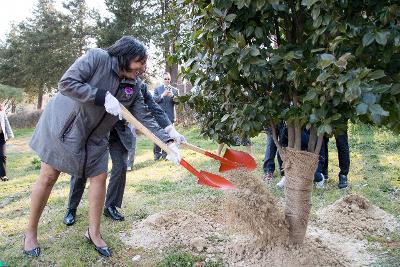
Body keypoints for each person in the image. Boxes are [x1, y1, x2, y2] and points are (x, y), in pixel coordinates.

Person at [23, 36, 181, 258]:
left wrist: (168, 141)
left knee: (99, 177)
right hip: (65, 127)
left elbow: (144, 117)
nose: (142, 68)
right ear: (125, 57)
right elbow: (66, 83)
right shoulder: (98, 58)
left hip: (97, 137)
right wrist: (99, 96)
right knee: (49, 176)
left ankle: (94, 233)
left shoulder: (133, 86)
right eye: (139, 62)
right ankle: (30, 233)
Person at [63, 80, 185, 225]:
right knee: (82, 166)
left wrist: (171, 132)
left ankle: (111, 206)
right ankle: (72, 208)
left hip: (120, 130)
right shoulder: (109, 76)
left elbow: (154, 110)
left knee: (121, 165)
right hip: (97, 128)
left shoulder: (140, 86)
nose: (140, 70)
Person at [153, 72, 179, 160]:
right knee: (158, 135)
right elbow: (153, 100)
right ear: (163, 79)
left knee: (168, 136)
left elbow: (178, 102)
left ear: (170, 79)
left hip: (170, 116)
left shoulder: (175, 90)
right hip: (159, 116)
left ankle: (165, 154)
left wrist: (173, 96)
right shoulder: (157, 89)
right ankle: (157, 154)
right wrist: (162, 95)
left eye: (168, 79)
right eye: (165, 79)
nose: (167, 80)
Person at [322, 121, 350, 189]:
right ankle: (323, 173)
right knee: (322, 143)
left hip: (340, 114)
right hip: (323, 115)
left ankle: (343, 175)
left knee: (342, 144)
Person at [0, 104, 14, 181]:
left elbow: (6, 122)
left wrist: (9, 134)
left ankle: (3, 175)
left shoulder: (2, 111)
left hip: (1, 136)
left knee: (2, 156)